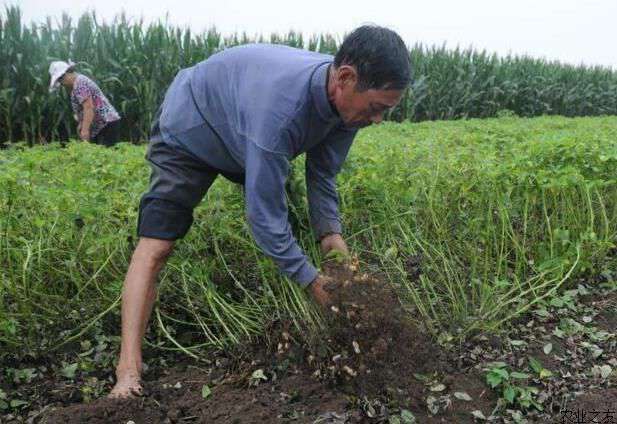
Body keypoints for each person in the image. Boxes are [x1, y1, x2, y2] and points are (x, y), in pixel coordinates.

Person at [109, 25, 411, 398]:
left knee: (293, 216)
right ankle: (127, 371)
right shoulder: (281, 112)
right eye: (377, 109)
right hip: (190, 126)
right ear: (345, 78)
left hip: (243, 130)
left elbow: (322, 179)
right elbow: (264, 218)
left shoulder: (348, 107)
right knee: (157, 246)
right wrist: (313, 282)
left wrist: (340, 259)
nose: (378, 120)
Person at [49, 60, 122, 146]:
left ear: (68, 72)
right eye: (59, 80)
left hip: (106, 123)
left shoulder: (80, 84)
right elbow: (83, 109)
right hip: (101, 125)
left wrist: (85, 130)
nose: (61, 83)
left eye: (61, 79)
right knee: (100, 155)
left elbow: (89, 107)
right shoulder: (76, 84)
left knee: (108, 155)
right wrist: (81, 124)